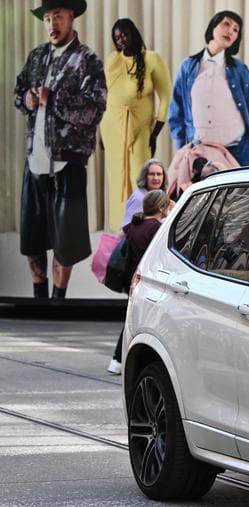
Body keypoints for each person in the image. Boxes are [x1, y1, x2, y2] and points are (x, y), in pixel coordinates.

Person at [14, 0, 107, 301]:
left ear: (71, 18)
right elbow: (18, 93)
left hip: (68, 161)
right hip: (35, 159)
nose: (52, 24)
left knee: (65, 242)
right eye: (48, 18)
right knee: (32, 237)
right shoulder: (37, 56)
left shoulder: (86, 59)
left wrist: (53, 100)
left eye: (59, 17)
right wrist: (26, 99)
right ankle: (39, 298)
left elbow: (94, 109)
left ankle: (58, 301)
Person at [169, 10, 249, 167]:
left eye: (235, 30)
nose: (230, 31)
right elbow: (176, 112)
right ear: (213, 26)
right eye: (226, 24)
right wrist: (183, 147)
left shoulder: (240, 70)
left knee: (238, 192)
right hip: (199, 154)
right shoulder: (188, 67)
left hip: (237, 152)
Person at [102, 18, 171, 233]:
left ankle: (144, 228)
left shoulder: (151, 59)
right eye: (117, 37)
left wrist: (155, 132)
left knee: (141, 180)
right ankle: (119, 232)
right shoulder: (112, 60)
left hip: (140, 129)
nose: (121, 40)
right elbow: (104, 97)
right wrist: (100, 134)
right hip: (112, 130)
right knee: (116, 182)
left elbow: (166, 96)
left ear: (134, 33)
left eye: (124, 35)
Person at [107, 189, 171, 374]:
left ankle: (119, 360)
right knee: (139, 320)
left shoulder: (136, 224)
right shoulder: (155, 228)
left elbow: (121, 235)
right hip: (148, 280)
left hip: (132, 281)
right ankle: (119, 359)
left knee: (135, 318)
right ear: (161, 207)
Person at [121, 159, 166, 232]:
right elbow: (127, 228)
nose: (155, 178)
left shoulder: (158, 196)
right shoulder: (139, 198)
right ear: (145, 176)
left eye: (159, 174)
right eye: (151, 174)